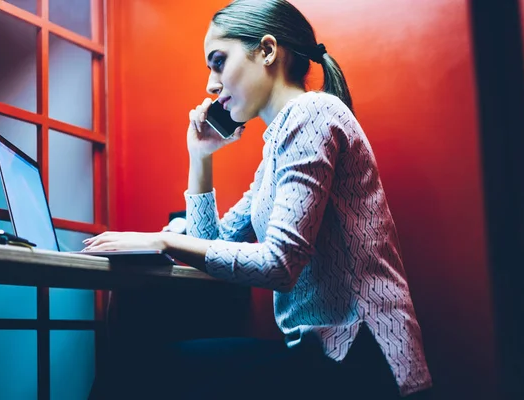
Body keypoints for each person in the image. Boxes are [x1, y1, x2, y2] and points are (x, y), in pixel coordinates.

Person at [83, 0, 433, 398]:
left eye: (218, 62)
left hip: (360, 362)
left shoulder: (313, 113)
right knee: (142, 372)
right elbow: (214, 244)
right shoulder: (277, 148)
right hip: (322, 358)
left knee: (138, 376)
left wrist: (161, 240)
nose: (211, 85)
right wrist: (200, 158)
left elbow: (279, 265)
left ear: (267, 50)